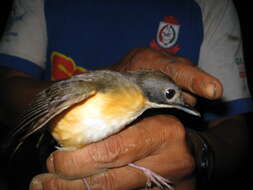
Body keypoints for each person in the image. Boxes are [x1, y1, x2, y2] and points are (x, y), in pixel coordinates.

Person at [0, 0, 251, 189]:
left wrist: (197, 154)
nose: (177, 101)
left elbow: (233, 125)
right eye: (169, 94)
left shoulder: (210, 6)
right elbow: (9, 88)